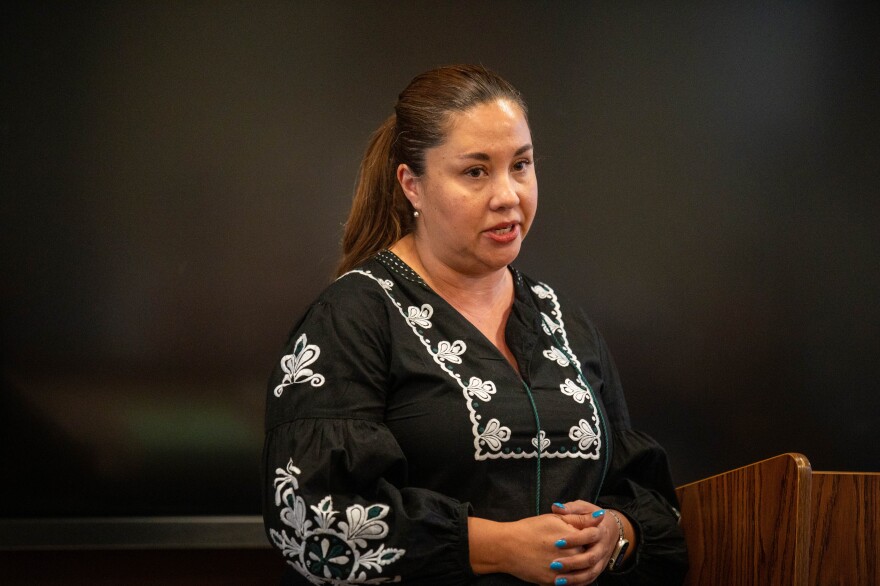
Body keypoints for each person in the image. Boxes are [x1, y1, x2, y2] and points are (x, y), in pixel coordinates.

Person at [263, 64, 688, 585]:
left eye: (522, 165)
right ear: (411, 185)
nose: (508, 195)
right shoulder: (354, 317)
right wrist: (499, 547)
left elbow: (648, 499)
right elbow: (311, 524)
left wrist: (617, 533)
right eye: (475, 172)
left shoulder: (565, 322)